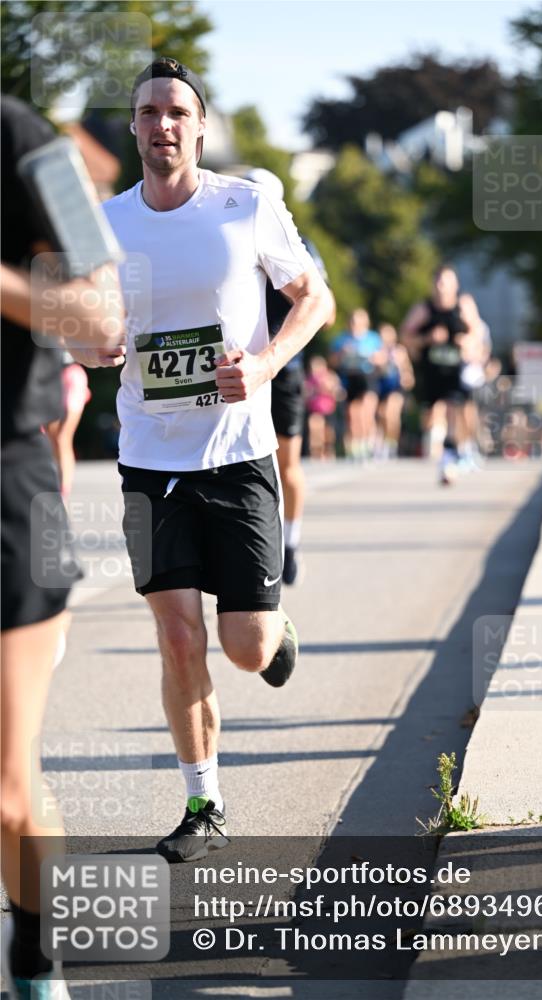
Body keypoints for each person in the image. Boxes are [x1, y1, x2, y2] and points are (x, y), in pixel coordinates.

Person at [71, 58, 332, 863]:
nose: (163, 125)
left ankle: (273, 622)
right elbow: (72, 331)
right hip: (149, 462)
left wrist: (263, 366)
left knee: (245, 648)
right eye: (148, 112)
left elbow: (312, 297)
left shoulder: (246, 205)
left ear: (201, 125)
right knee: (178, 638)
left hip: (240, 453)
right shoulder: (106, 224)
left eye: (177, 111)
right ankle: (204, 801)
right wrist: (93, 343)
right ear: (134, 127)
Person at [1, 94, 125, 999]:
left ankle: (37, 961)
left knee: (8, 784)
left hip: (9, 490)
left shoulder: (25, 142)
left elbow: (103, 317)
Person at [244, 167, 335, 585]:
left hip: (284, 368)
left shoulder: (299, 246)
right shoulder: (226, 239)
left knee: (287, 463)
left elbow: (326, 311)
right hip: (238, 366)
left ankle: (292, 541)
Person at [400, 265, 482, 483]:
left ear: (455, 285)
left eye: (446, 282)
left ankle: (458, 452)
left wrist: (467, 341)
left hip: (458, 369)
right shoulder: (424, 309)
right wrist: (427, 339)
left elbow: (477, 331)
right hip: (432, 369)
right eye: (438, 282)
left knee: (458, 410)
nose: (441, 287)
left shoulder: (463, 304)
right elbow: (405, 336)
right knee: (434, 413)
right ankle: (444, 454)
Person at [329, 308, 384, 460]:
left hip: (367, 377)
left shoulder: (373, 338)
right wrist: (342, 353)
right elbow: (332, 362)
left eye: (359, 321)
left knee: (366, 411)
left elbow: (383, 360)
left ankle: (370, 443)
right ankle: (357, 445)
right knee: (353, 414)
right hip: (350, 377)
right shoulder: (342, 340)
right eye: (353, 321)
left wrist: (375, 358)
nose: (356, 325)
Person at [45, 352, 92, 500]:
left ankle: (62, 493)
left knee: (62, 438)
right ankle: (54, 484)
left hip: (72, 377)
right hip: (50, 378)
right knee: (51, 439)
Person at [375, 323, 414, 458]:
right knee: (381, 415)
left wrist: (407, 377)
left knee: (391, 414)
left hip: (395, 386)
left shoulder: (399, 351)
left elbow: (407, 370)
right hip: (380, 386)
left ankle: (391, 444)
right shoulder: (376, 351)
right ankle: (381, 443)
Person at [305, 355, 341, 460]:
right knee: (315, 428)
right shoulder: (310, 379)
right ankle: (316, 451)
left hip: (328, 409)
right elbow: (306, 393)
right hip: (315, 409)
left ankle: (328, 450)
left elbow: (338, 393)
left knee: (328, 432)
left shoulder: (330, 376)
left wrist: (328, 389)